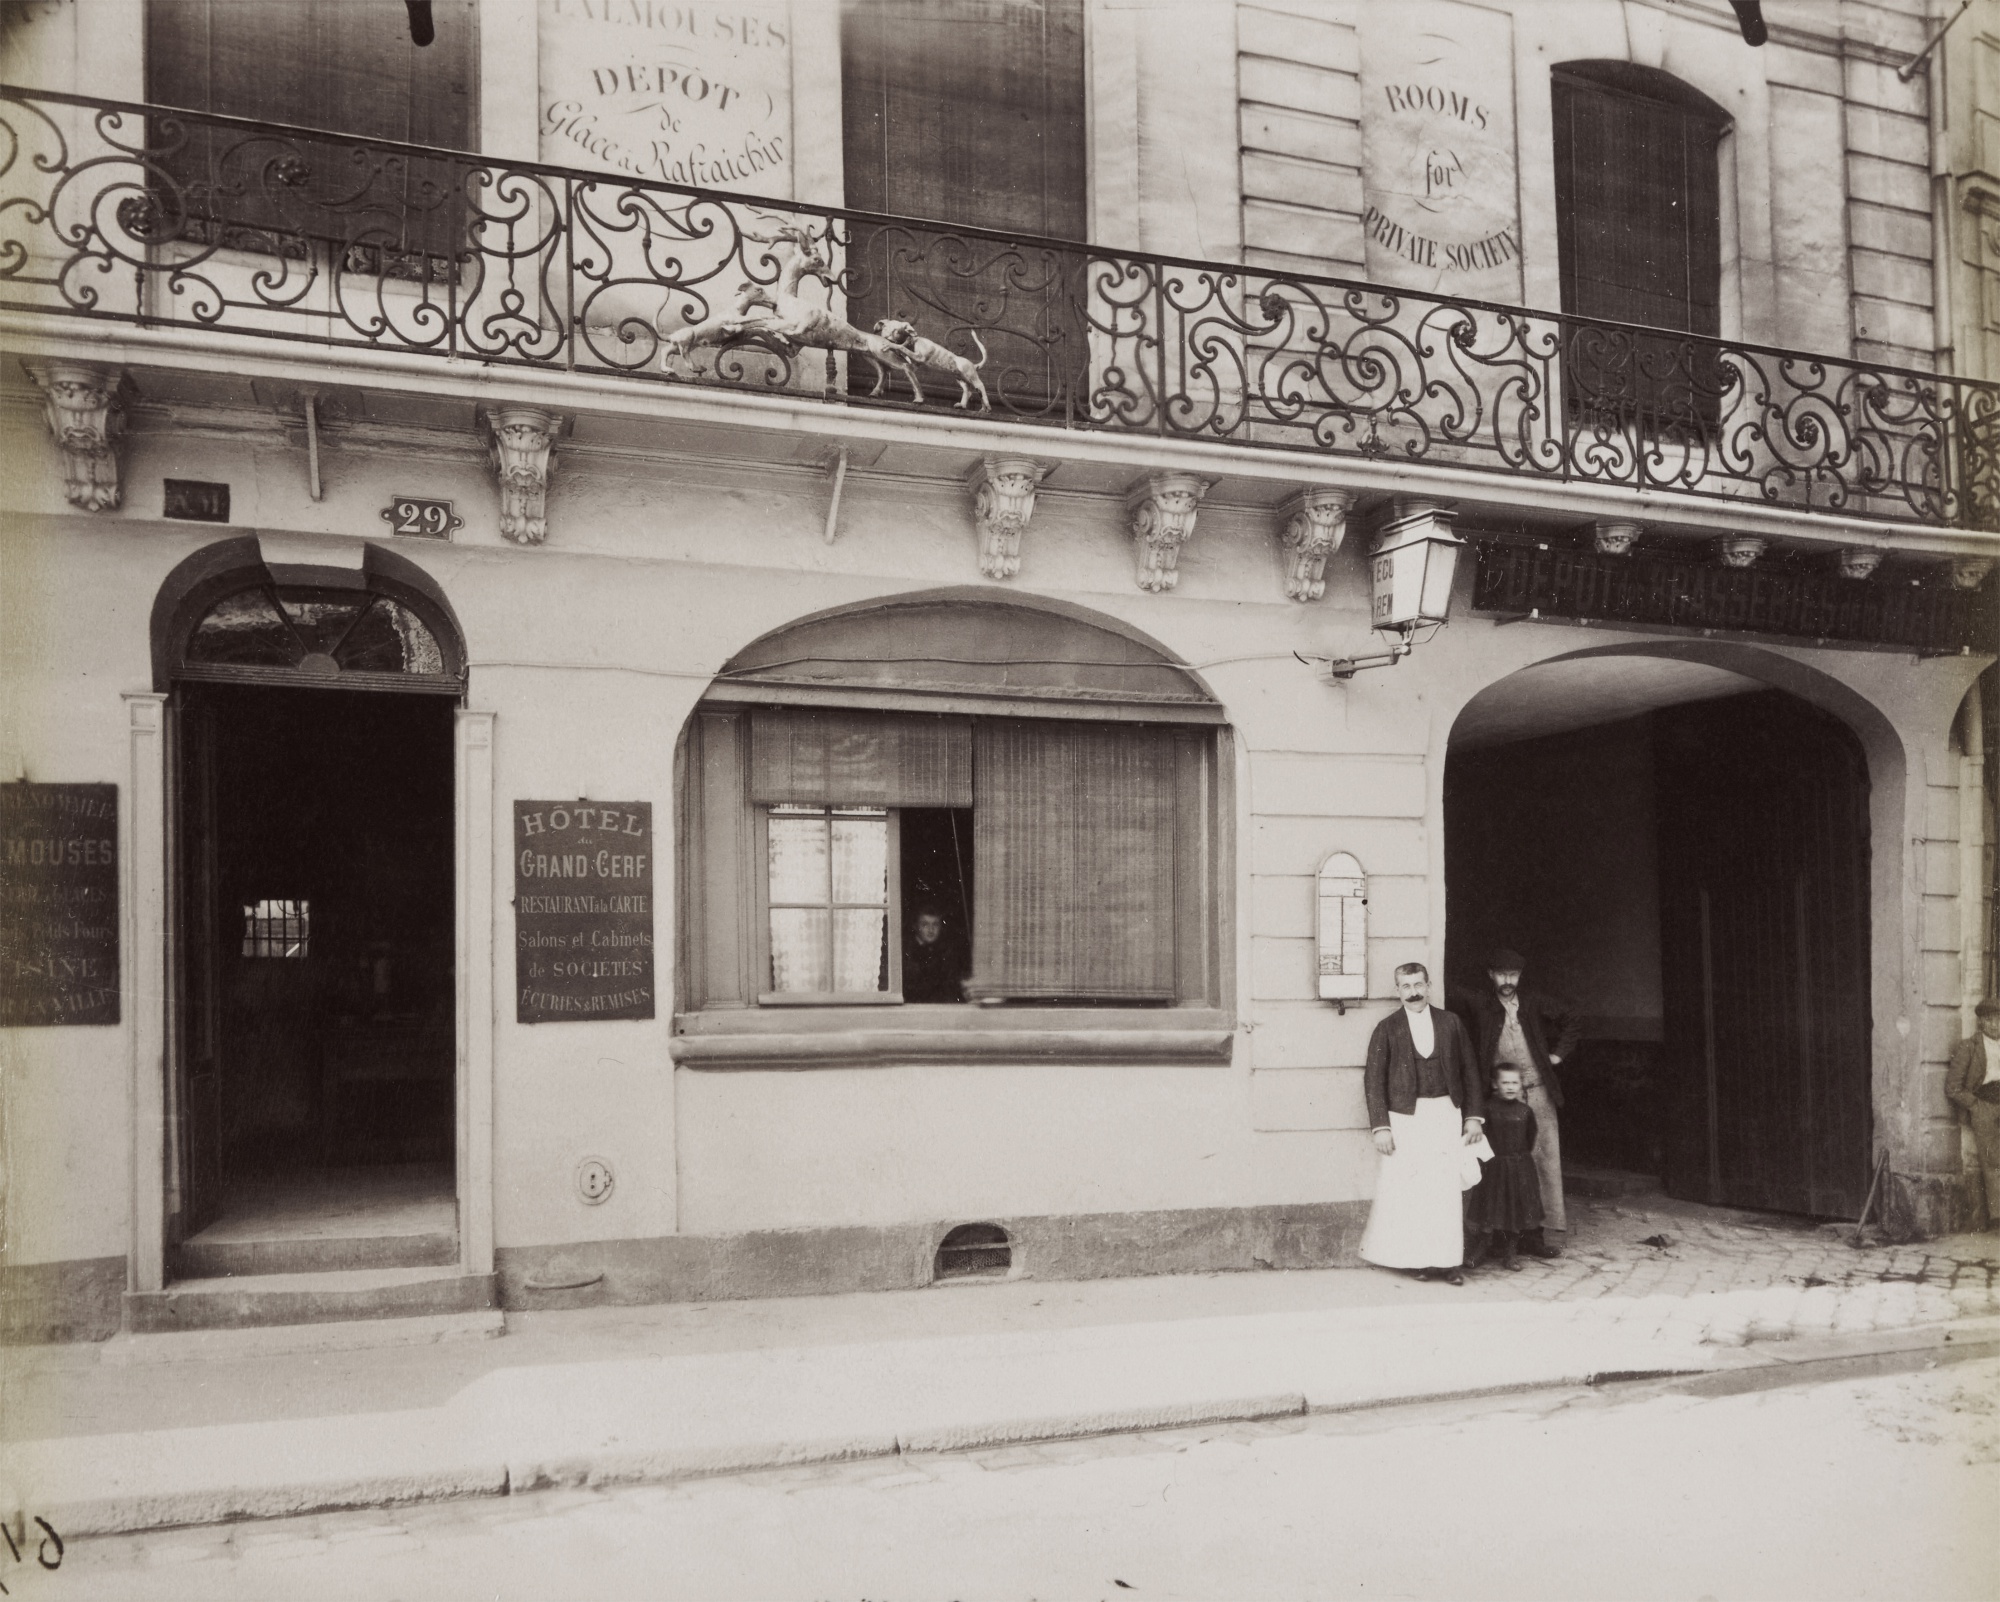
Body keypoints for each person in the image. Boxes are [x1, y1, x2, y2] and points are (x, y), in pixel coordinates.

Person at [1360, 961, 1485, 1284]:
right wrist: (1381, 1126)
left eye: (1418, 985)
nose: (1413, 993)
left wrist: (1473, 1118)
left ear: (1429, 986)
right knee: (1414, 1191)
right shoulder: (1387, 1029)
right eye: (1406, 986)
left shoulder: (1451, 1023)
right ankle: (1420, 1261)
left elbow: (1470, 1072)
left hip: (1446, 1114)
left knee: (1445, 1189)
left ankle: (1449, 1263)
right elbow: (1373, 1081)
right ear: (1397, 990)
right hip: (1406, 1120)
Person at [1459, 948, 1576, 1258]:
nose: (1507, 981)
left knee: (1542, 1163)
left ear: (1520, 977)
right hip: (1498, 1102)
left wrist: (1556, 1055)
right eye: (1501, 974)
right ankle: (1493, 1236)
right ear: (1490, 975)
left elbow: (1572, 1019)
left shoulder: (1534, 1003)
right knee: (1497, 1165)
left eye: (1513, 975)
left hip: (1537, 1093)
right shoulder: (1483, 1007)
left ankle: (1536, 1236)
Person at [1467, 1067, 1543, 1271]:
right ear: (1495, 1085)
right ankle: (1481, 1249)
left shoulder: (1525, 1111)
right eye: (1505, 1083)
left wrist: (1517, 1158)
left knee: (1515, 1210)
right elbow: (1482, 1138)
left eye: (1514, 1083)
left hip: (1519, 1168)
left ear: (1520, 1085)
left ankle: (1511, 1253)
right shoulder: (1488, 1109)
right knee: (1490, 1209)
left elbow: (1530, 1138)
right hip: (1494, 1167)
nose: (1510, 1087)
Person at [1944, 996, 2000, 1230]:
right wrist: (1976, 1106)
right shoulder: (1969, 1047)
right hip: (1984, 1107)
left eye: (1998, 1019)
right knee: (1992, 1162)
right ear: (1981, 1022)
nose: (1995, 1025)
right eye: (1989, 1020)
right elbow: (1953, 1087)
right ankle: (1997, 1218)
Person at [902, 905, 968, 1003]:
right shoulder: (907, 953)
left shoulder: (944, 951)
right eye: (925, 924)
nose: (931, 929)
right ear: (915, 926)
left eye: (935, 924)